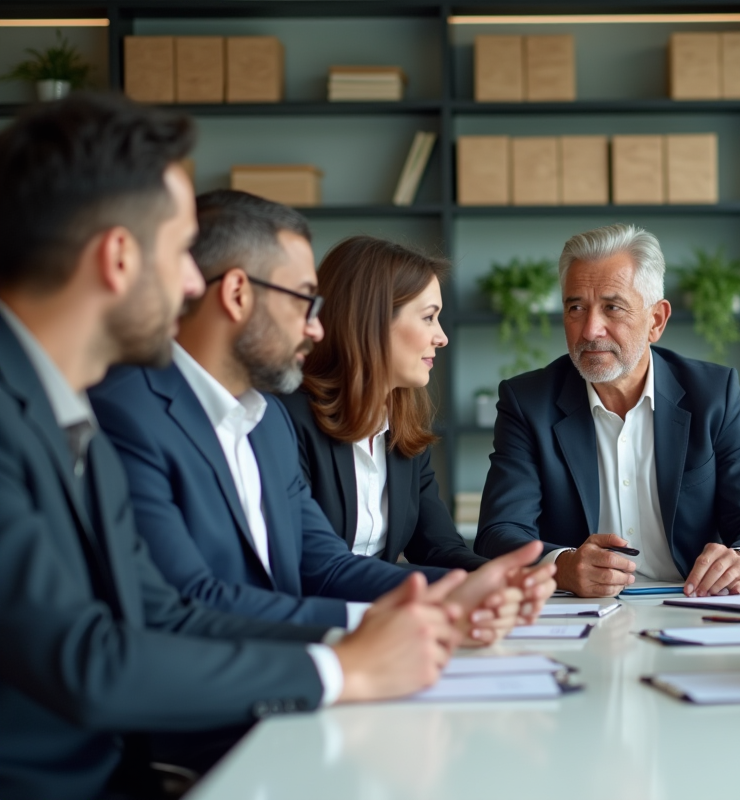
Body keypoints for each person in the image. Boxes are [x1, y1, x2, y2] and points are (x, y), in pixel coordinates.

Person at [0, 93, 465, 799]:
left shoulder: (66, 408)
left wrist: (389, 628)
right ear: (118, 258)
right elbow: (90, 662)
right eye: (179, 253)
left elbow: (163, 615)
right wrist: (344, 667)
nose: (196, 282)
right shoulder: (70, 412)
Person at [90, 190, 554, 643]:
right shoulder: (129, 412)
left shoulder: (263, 421)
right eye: (302, 300)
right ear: (236, 294)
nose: (315, 327)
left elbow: (326, 565)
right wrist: (395, 625)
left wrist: (468, 591)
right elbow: (188, 602)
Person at [474, 223, 740, 598]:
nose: (590, 329)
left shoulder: (712, 395)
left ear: (656, 320)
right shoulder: (529, 402)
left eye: (612, 307)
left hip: (691, 604)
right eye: (576, 307)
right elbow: (498, 533)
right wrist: (561, 566)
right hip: (579, 611)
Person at [278, 235, 486, 572]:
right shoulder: (286, 420)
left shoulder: (404, 426)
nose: (442, 337)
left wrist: (503, 577)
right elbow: (311, 566)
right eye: (428, 317)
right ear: (371, 320)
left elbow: (439, 547)